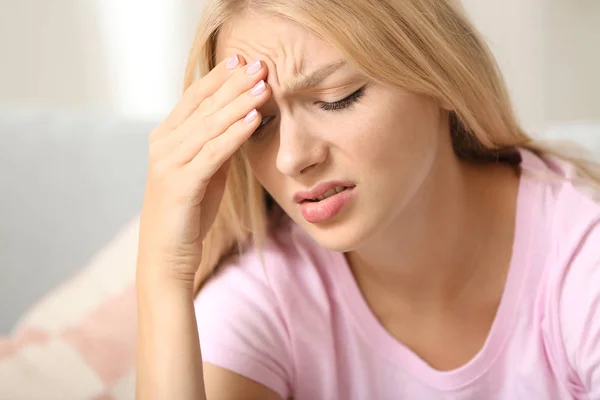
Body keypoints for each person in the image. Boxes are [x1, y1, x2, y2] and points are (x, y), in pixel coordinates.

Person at [135, 0, 600, 399]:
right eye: (260, 123)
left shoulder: (580, 257)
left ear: (437, 74)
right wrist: (163, 273)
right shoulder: (268, 293)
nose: (292, 158)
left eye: (336, 98)